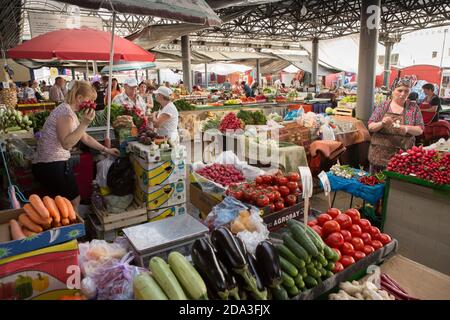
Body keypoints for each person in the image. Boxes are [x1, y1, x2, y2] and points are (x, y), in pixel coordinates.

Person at [32, 80, 119, 208]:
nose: (91, 105)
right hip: (51, 164)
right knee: (72, 201)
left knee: (66, 202)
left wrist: (106, 149)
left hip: (52, 164)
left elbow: (85, 137)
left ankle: (72, 224)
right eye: (90, 101)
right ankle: (75, 226)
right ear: (79, 98)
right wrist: (84, 123)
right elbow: (67, 144)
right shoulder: (65, 114)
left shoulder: (69, 112)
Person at [368, 80, 424, 172]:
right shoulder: (383, 106)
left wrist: (405, 128)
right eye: (400, 90)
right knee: (376, 182)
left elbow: (420, 129)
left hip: (402, 157)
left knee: (396, 185)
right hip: (380, 154)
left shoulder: (413, 108)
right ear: (393, 91)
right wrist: (382, 123)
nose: (403, 94)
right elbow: (371, 126)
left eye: (406, 91)